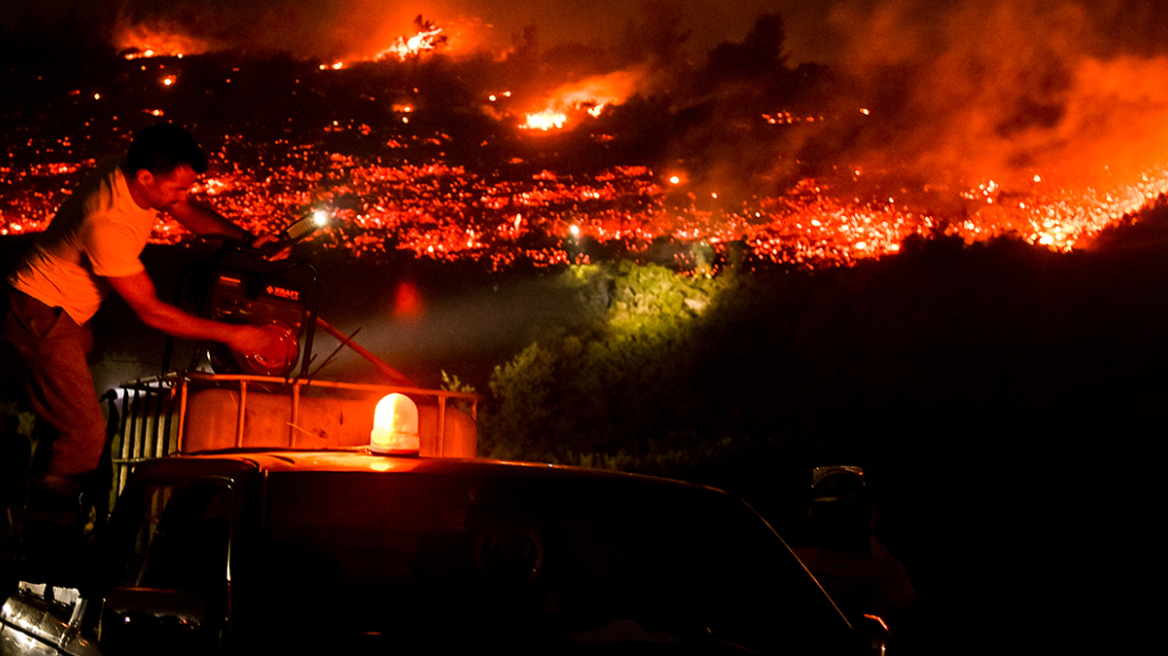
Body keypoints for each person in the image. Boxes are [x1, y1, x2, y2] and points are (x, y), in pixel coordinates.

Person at [3, 123, 287, 507]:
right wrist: (237, 336)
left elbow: (183, 209)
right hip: (39, 313)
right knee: (83, 435)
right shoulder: (106, 222)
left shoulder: (129, 169)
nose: (183, 195)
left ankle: (35, 504)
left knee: (64, 422)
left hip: (67, 313)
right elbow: (151, 311)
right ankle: (48, 542)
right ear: (145, 177)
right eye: (177, 187)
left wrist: (246, 241)